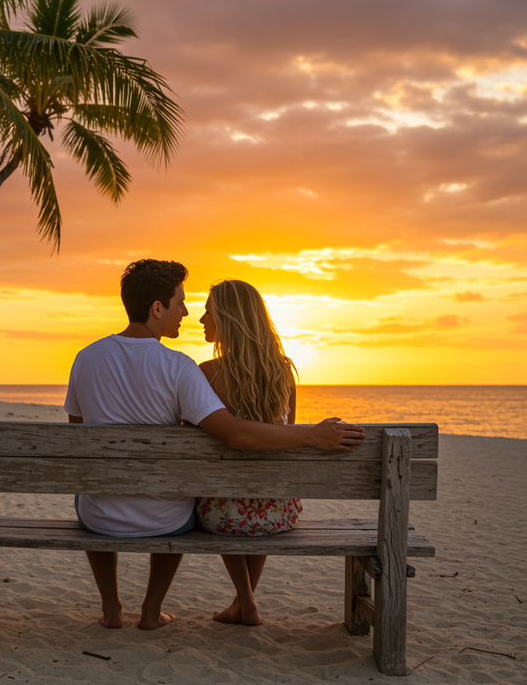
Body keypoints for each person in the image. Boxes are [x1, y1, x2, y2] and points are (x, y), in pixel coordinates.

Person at [64, 260, 365, 631]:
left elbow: (77, 439)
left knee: (96, 492)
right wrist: (312, 435)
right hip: (169, 520)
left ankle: (111, 609)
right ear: (158, 308)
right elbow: (233, 433)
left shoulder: (85, 358)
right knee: (183, 498)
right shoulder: (181, 367)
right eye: (181, 303)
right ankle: (151, 609)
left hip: (100, 517)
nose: (187, 312)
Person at [195, 279, 307, 626]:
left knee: (224, 497)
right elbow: (285, 438)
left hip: (220, 515)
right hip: (279, 512)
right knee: (258, 491)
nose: (201, 319)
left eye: (208, 312)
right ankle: (244, 602)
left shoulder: (208, 374)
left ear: (228, 318)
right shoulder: (283, 372)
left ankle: (244, 600)